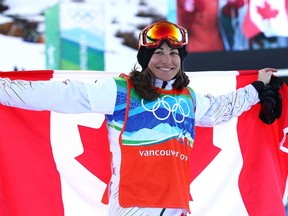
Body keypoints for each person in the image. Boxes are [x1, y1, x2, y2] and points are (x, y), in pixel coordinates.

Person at [0, 20, 276, 216]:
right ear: (145, 57)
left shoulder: (188, 98)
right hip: (133, 207)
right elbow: (59, 94)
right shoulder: (121, 91)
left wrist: (258, 88)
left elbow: (221, 109)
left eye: (173, 53)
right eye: (158, 52)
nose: (166, 59)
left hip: (177, 207)